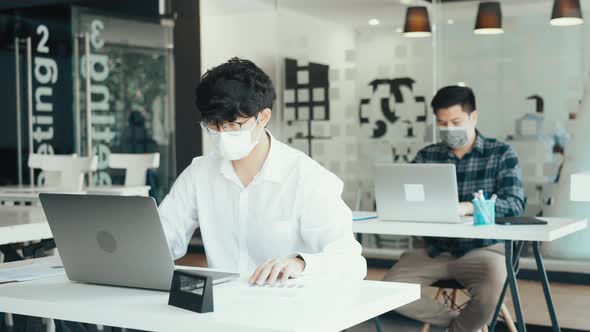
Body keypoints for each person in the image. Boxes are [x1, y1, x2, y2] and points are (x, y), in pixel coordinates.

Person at [158, 58, 366, 285]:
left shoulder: (308, 177)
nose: (222, 133)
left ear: (263, 117)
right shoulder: (199, 174)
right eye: (213, 125)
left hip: (289, 307)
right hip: (223, 306)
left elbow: (351, 262)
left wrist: (300, 264)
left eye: (232, 125)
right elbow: (163, 237)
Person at [383, 86, 525, 332]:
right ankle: (457, 325)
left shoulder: (500, 153)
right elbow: (405, 201)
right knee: (388, 291)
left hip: (484, 250)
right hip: (435, 250)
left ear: (474, 117)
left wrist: (469, 207)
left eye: (456, 121)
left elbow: (514, 204)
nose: (449, 129)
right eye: (442, 123)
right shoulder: (427, 156)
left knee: (493, 293)